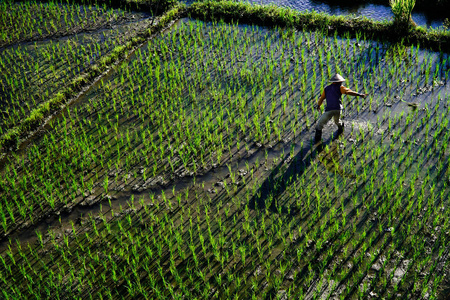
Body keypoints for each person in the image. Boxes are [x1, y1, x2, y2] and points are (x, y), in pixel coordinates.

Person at [315, 74, 368, 143]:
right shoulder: (340, 87)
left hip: (329, 110)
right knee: (337, 121)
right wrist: (359, 94)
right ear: (338, 82)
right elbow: (348, 92)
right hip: (338, 109)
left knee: (319, 125)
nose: (341, 82)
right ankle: (341, 129)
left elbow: (321, 98)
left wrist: (318, 105)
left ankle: (317, 141)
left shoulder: (326, 89)